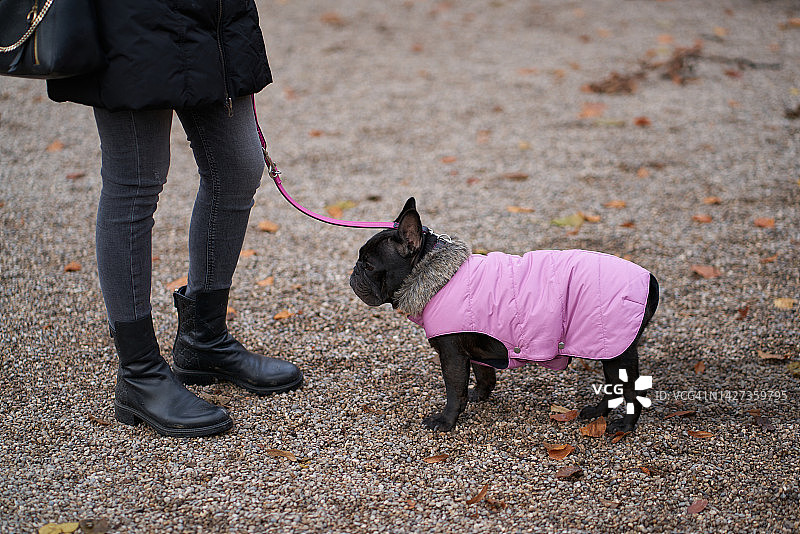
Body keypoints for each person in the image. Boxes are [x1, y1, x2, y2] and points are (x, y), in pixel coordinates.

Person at [46, 0, 302, 437]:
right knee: (136, 180)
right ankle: (140, 373)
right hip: (130, 18)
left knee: (238, 166)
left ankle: (204, 338)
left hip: (213, 14)